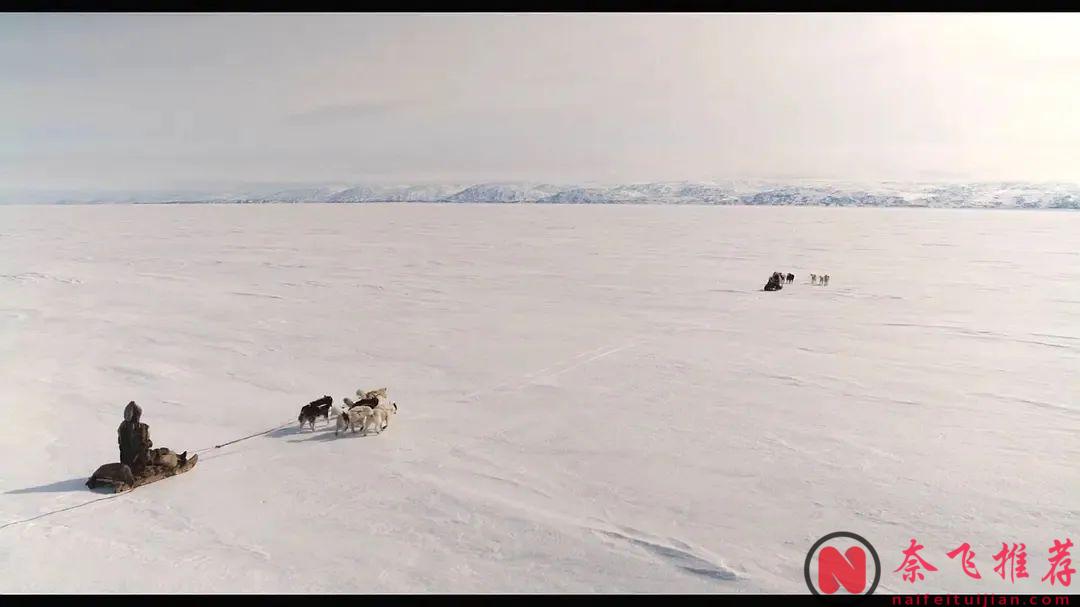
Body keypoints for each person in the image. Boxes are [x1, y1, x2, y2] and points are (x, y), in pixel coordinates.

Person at [117, 401, 186, 476]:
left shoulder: (122, 427)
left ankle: (178, 456)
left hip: (126, 460)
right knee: (165, 455)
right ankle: (177, 461)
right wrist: (149, 443)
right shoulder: (140, 428)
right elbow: (143, 450)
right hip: (140, 461)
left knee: (163, 450)